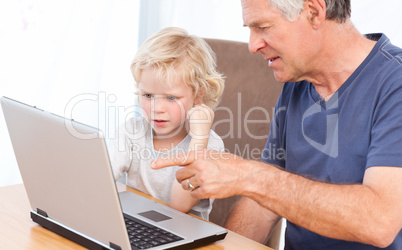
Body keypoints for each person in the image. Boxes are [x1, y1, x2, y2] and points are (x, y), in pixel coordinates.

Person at [151, 0, 402, 249]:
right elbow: (262, 206)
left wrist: (247, 175)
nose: (252, 45)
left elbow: (379, 222)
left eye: (263, 27)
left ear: (314, 12)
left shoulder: (395, 83)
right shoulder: (298, 82)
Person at [108, 27, 225, 220]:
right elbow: (99, 180)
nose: (156, 108)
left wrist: (198, 140)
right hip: (137, 225)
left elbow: (178, 206)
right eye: (147, 95)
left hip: (183, 233)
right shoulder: (131, 131)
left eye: (171, 97)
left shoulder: (209, 145)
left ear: (198, 94)